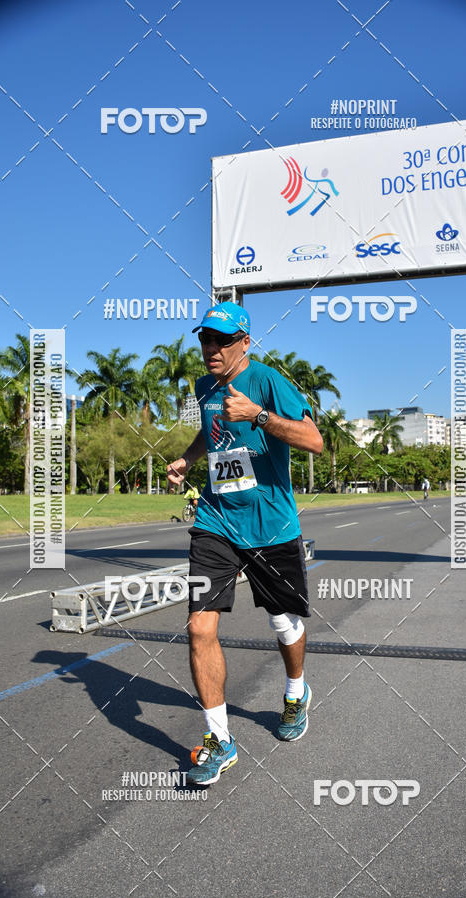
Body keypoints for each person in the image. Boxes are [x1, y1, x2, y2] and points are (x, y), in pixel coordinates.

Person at [167, 301, 323, 785]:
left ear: (244, 342)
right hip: (217, 521)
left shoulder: (270, 382)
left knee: (282, 622)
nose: (210, 348)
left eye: (221, 340)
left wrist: (259, 416)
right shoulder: (203, 386)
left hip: (272, 525)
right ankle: (220, 740)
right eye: (204, 340)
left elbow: (313, 440)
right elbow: (211, 433)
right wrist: (188, 460)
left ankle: (296, 692)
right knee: (198, 628)